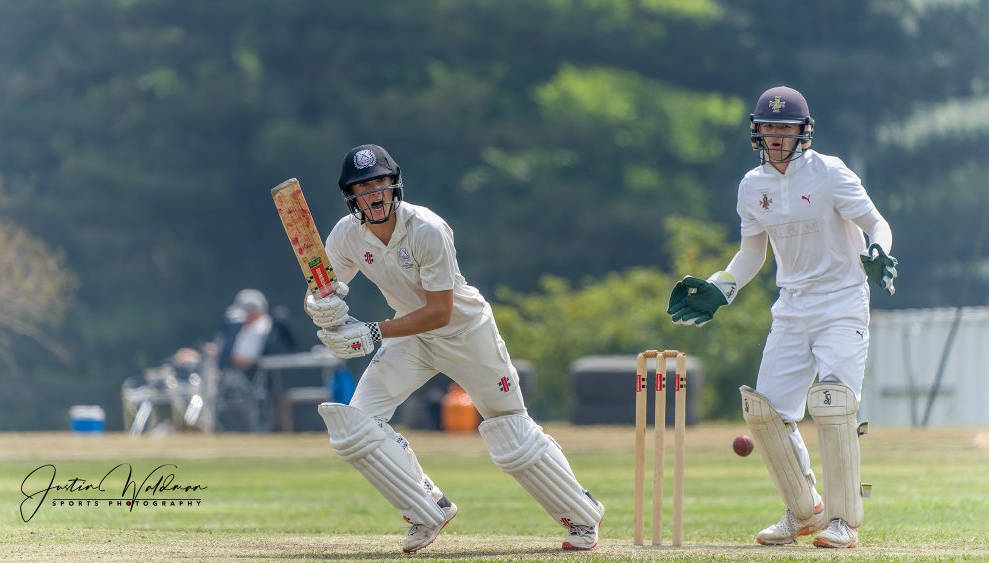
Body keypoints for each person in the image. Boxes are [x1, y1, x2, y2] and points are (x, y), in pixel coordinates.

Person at [306, 144, 604, 554]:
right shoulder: (346, 235)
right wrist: (319, 307)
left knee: (511, 435)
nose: (373, 194)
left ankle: (582, 515)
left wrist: (373, 332)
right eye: (362, 188)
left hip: (466, 333)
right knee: (354, 429)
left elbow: (440, 312)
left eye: (380, 183)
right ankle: (427, 509)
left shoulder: (427, 229)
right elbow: (324, 288)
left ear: (395, 185)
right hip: (412, 335)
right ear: (351, 197)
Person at [666, 86, 897, 549]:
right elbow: (752, 253)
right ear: (757, 131)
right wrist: (720, 288)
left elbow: (877, 223)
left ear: (803, 132)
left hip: (841, 301)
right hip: (791, 306)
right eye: (769, 126)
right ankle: (804, 511)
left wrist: (878, 251)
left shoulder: (830, 173)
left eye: (785, 127)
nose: (776, 135)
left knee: (833, 404)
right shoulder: (752, 186)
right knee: (764, 411)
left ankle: (843, 520)